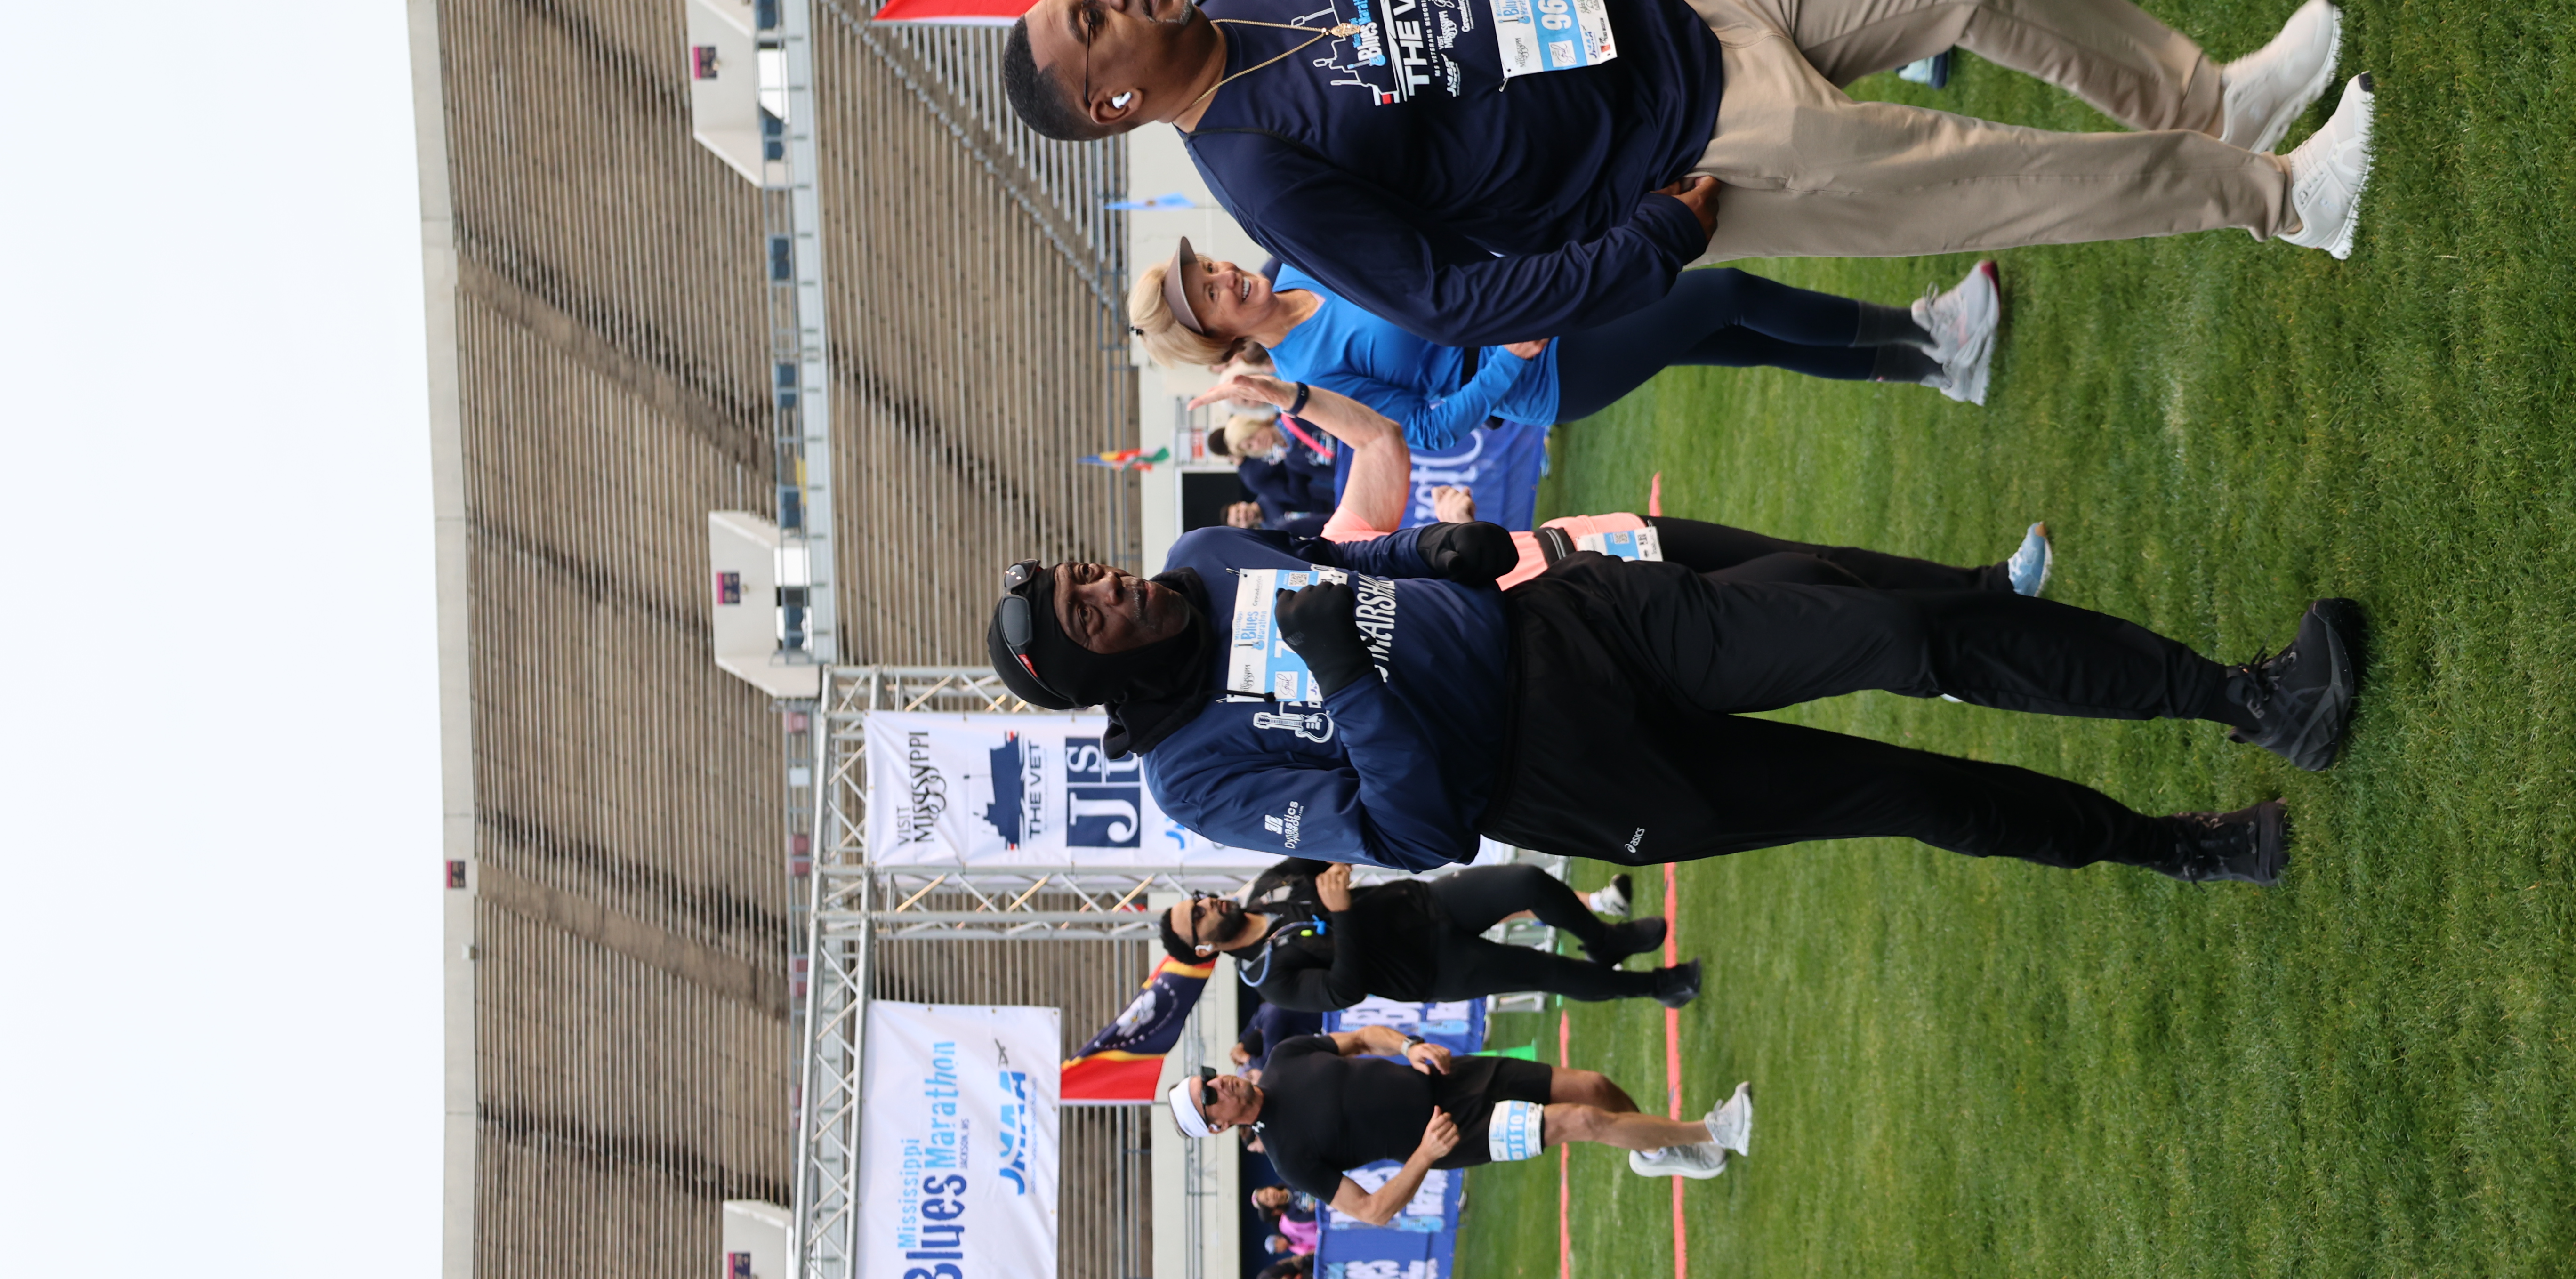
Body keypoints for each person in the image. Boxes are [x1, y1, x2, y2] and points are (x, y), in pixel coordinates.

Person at [982, 368, 2363, 887]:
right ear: (1086, 667)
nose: (1104, 582)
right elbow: (1415, 832)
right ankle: (2173, 848)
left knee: (1898, 636)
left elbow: (1355, 563)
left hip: (1589, 630)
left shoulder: (1206, 547)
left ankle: (2249, 696)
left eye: (1080, 569)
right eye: (1081, 609)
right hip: (1580, 777)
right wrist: (1348, 681)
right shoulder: (1193, 775)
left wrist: (1435, 553)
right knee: (1901, 788)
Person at [1001, 0, 2371, 347]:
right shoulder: (1256, 172)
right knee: (1993, 174)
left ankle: (2210, 100)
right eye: (1094, 26)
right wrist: (1661, 235)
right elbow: (1451, 302)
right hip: (1694, 147)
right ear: (1112, 104)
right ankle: (2284, 199)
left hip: (1688, 8)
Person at [1191, 363, 2054, 594]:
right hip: (1603, 609)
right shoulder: (1332, 633)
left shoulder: (1341, 547)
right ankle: (1949, 630)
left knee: (1810, 557)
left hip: (1602, 541)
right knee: (1813, 592)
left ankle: (1979, 589)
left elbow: (1380, 443)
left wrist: (1290, 392)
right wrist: (1455, 540)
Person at [1137, 236, 2002, 433]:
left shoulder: (1299, 260)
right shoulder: (1305, 380)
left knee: (1738, 334)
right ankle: (1932, 327)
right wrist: (1505, 364)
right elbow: (1428, 432)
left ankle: (1933, 365)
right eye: (1205, 294)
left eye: (1206, 266)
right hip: (1540, 371)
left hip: (1536, 298)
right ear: (1216, 337)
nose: (1219, 275)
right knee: (1722, 293)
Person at [1174, 1026, 1757, 1209]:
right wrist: (1426, 1156)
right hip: (1451, 1138)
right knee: (1580, 1120)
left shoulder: (1284, 1057)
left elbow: (1360, 1038)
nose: (1217, 1083)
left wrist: (1407, 1046)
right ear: (1221, 1125)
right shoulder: (1289, 1158)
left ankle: (1658, 1152)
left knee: (1596, 1088)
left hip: (1454, 1077)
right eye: (1209, 1098)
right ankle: (1715, 1130)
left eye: (1207, 1078)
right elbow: (1371, 1212)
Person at [1166, 854, 1699, 1009]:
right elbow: (1344, 992)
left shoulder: (1268, 885)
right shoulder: (1269, 978)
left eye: (1195, 901)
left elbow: (1333, 843)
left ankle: (1605, 942)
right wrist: (1343, 911)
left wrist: (1342, 864)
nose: (1205, 904)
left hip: (1426, 903)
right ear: (1205, 947)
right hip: (1433, 969)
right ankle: (1659, 988)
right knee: (1550, 971)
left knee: (1529, 882)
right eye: (1197, 917)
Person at [1210, 407, 1341, 531]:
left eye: (1251, 437)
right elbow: (1334, 476)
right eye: (1250, 446)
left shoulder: (1290, 415)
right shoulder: (1288, 462)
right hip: (1328, 491)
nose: (1257, 443)